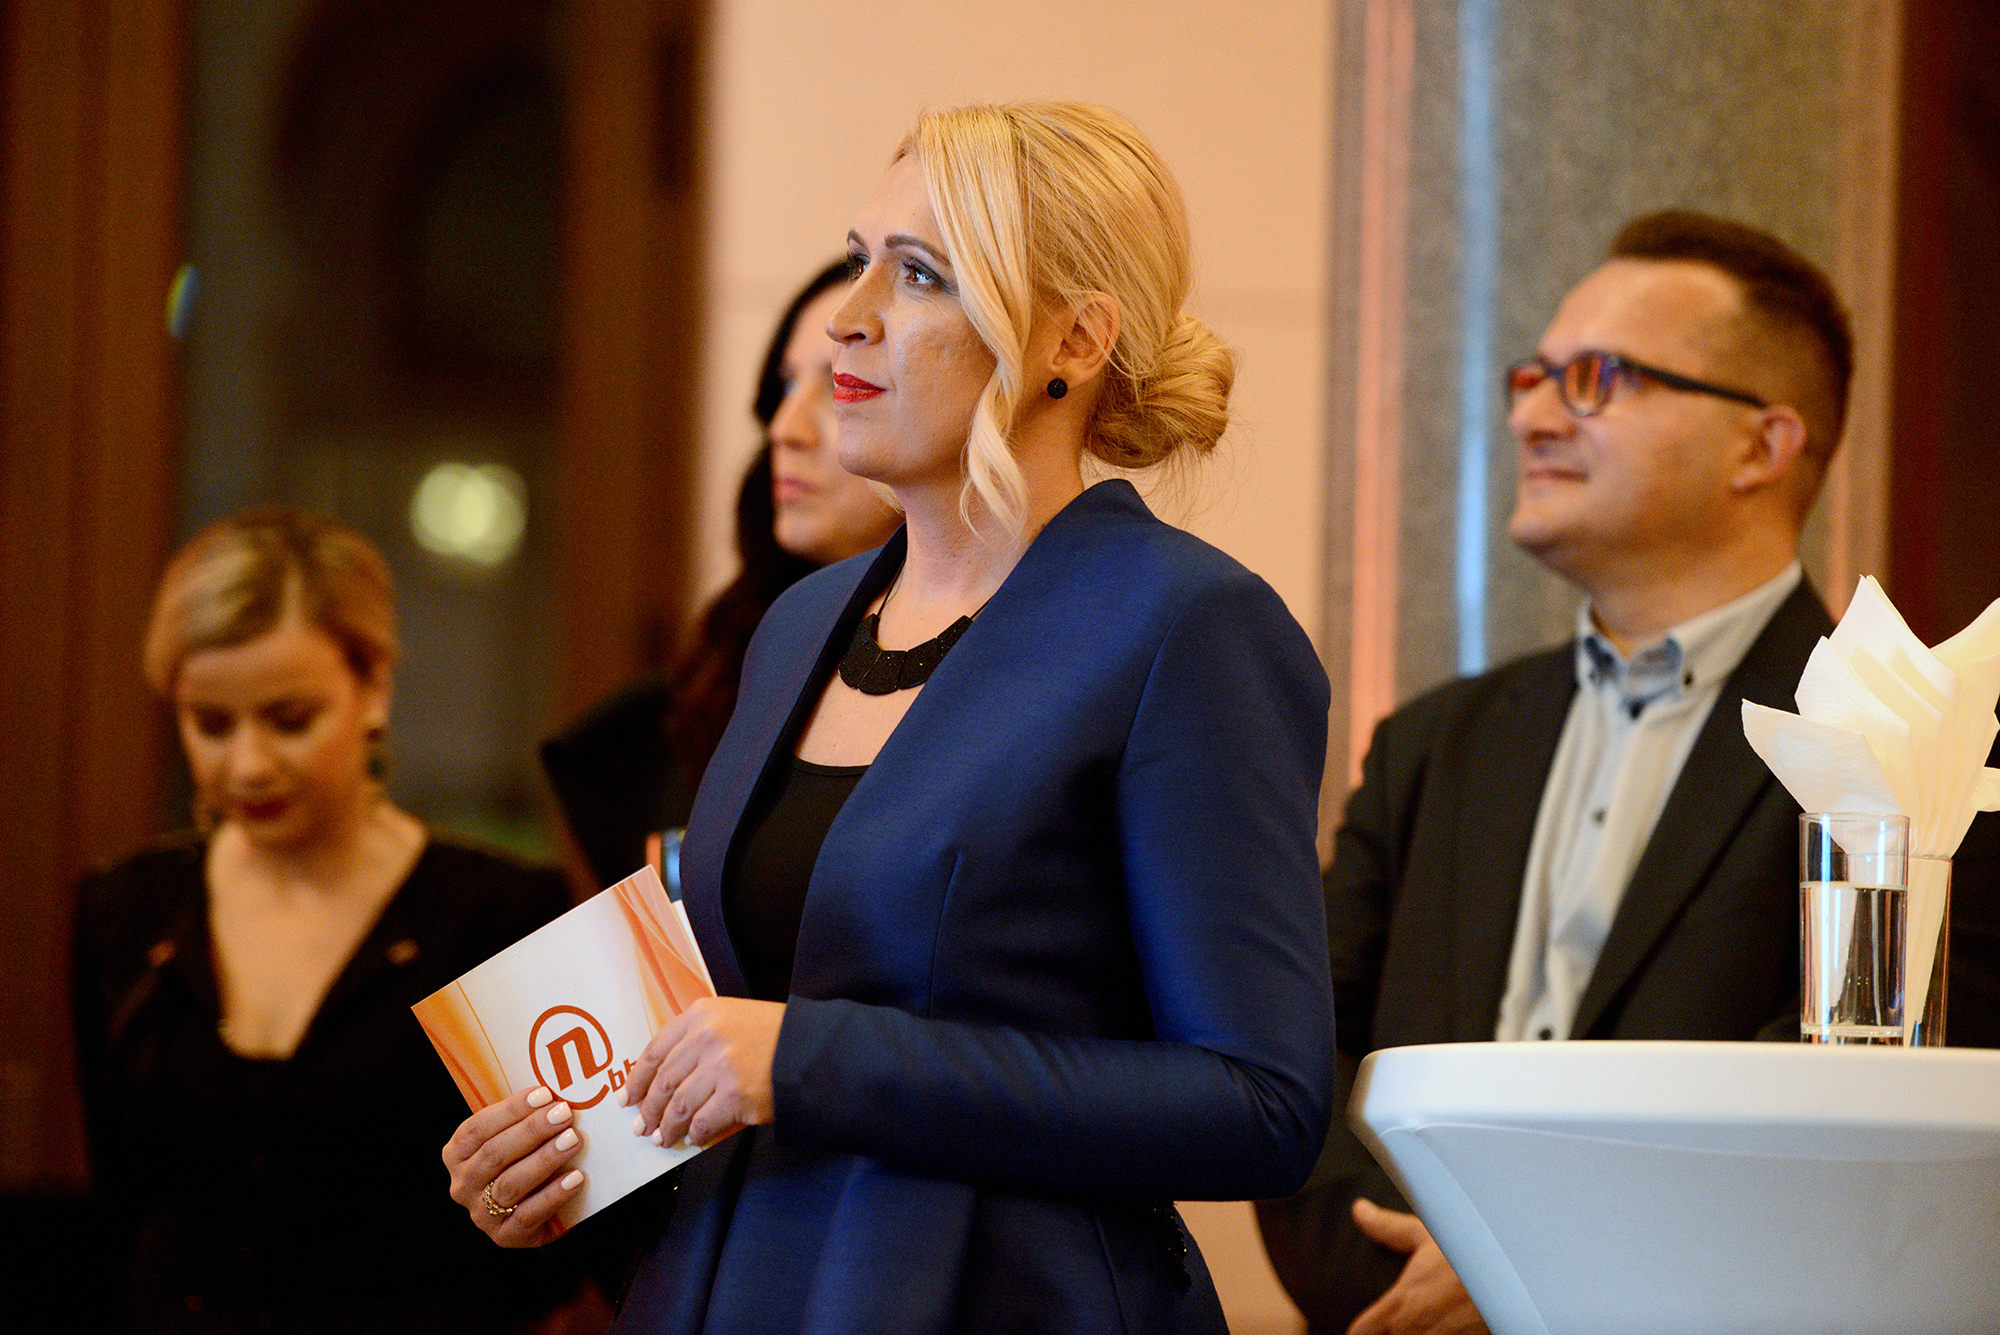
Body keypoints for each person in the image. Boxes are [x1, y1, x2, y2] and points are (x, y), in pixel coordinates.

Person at [445, 102, 1336, 1333]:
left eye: (918, 274)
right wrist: (565, 1159)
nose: (846, 318)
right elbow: (731, 1036)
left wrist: (811, 1060)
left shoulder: (1184, 626)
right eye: (858, 258)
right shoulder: (801, 623)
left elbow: (1260, 1108)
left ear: (1072, 338)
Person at [1254, 210, 1869, 1334]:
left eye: (1596, 379)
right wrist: (1401, 1287)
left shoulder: (1893, 749)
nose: (1530, 416)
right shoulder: (1433, 744)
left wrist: (1534, 1274)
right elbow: (1296, 1052)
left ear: (1761, 446)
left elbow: (1850, 1106)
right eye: (1533, 377)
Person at [71, 509, 579, 1333]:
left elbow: (556, 1231)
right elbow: (118, 1214)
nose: (248, 764)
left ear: (373, 686)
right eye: (210, 723)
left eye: (290, 719)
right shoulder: (124, 910)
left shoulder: (499, 913)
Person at [541, 259, 901, 888]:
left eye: (840, 385)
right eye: (784, 388)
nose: (786, 430)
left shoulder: (1003, 667)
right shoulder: (672, 718)